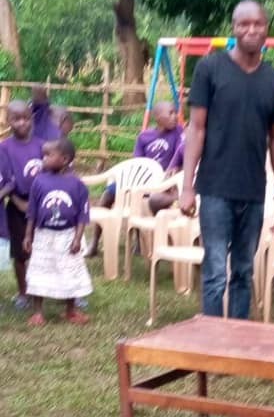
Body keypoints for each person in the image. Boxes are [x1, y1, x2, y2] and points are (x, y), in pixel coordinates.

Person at [180, 0, 274, 319]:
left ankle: (239, 336)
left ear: (266, 29)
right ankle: (213, 337)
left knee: (243, 271)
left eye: (258, 24)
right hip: (214, 188)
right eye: (244, 24)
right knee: (215, 271)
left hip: (253, 191)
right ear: (234, 28)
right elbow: (196, 128)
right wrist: (187, 186)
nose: (251, 30)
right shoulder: (210, 69)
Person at [86, 100, 182, 257]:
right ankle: (95, 242)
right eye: (170, 113)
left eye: (175, 112)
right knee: (108, 194)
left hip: (163, 182)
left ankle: (141, 240)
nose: (175, 116)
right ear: (158, 117)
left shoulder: (178, 133)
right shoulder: (144, 137)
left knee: (141, 199)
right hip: (142, 179)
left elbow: (179, 155)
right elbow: (137, 163)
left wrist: (173, 170)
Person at [23, 137, 92, 326]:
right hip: (43, 235)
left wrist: (77, 239)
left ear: (64, 159)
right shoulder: (39, 182)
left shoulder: (77, 184)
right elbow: (32, 211)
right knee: (39, 270)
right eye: (43, 154)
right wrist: (28, 235)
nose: (43, 158)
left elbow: (82, 215)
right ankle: (38, 312)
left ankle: (70, 311)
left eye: (48, 155)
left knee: (70, 271)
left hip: (67, 236)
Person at [0, 101, 45, 307]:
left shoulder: (42, 146)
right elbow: (6, 181)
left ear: (32, 119)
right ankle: (23, 293)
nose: (21, 123)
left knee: (47, 249)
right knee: (20, 253)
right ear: (8, 120)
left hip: (42, 207)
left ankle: (56, 289)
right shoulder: (4, 148)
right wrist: (18, 202)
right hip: (17, 206)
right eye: (16, 119)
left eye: (26, 118)